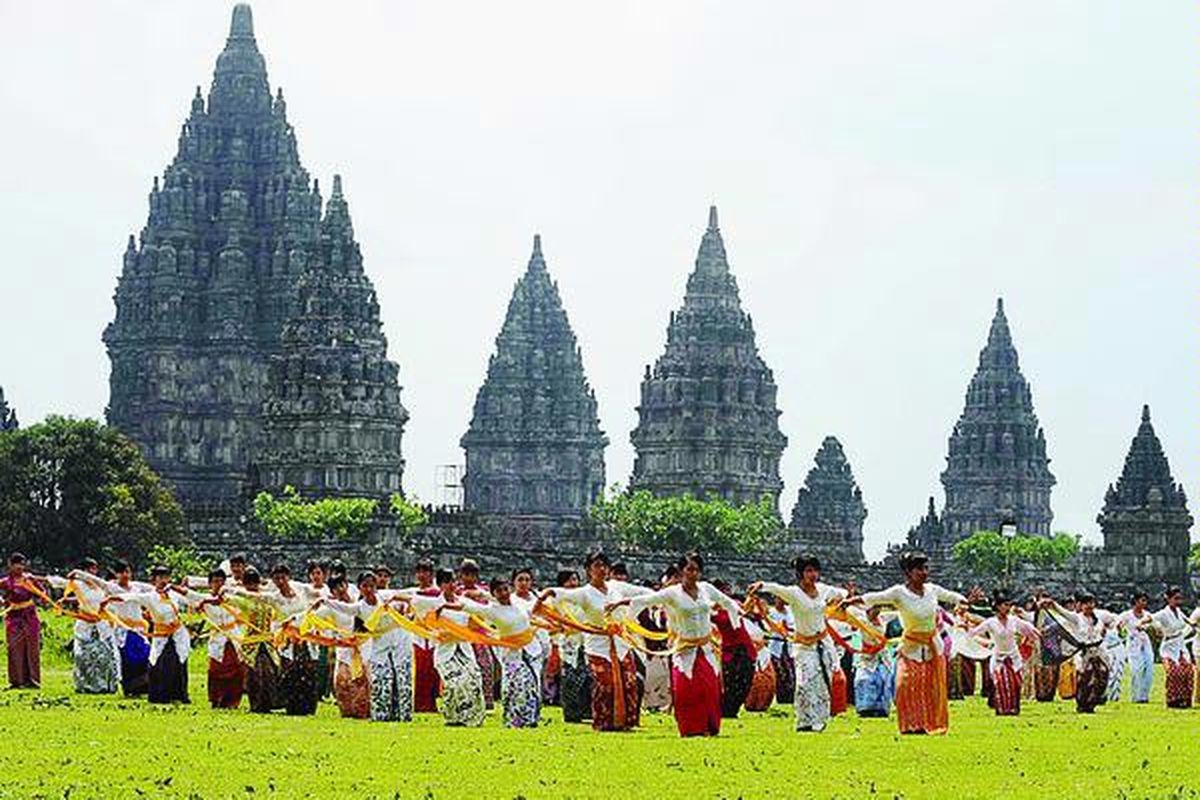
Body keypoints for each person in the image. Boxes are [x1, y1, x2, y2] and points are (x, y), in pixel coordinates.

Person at [615, 553, 741, 737]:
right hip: (684, 649)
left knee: (709, 688)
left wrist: (737, 617)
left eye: (697, 570)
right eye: (689, 569)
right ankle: (691, 728)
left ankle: (709, 726)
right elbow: (647, 600)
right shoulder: (672, 593)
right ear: (682, 571)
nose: (693, 574)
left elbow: (727, 602)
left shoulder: (706, 589)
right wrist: (624, 609)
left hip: (705, 647)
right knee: (685, 689)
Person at [854, 551, 978, 735]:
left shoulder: (932, 590)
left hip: (932, 646)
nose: (924, 572)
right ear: (908, 572)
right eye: (919, 569)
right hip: (910, 645)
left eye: (926, 568)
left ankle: (927, 724)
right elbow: (875, 597)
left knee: (928, 687)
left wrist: (966, 599)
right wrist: (851, 600)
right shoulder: (899, 593)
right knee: (905, 684)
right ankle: (910, 725)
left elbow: (951, 596)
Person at [535, 550, 650, 732]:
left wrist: (663, 596)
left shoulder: (617, 588)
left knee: (629, 681)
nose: (601, 569)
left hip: (620, 641)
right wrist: (546, 593)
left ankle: (626, 721)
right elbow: (563, 594)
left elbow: (642, 593)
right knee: (605, 683)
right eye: (597, 566)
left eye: (604, 566)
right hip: (597, 643)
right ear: (588, 570)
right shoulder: (585, 593)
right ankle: (604, 722)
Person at [749, 554, 849, 732]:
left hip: (824, 643)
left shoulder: (824, 590)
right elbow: (776, 588)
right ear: (800, 573)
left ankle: (819, 720)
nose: (813, 575)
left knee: (823, 681)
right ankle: (804, 721)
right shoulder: (794, 593)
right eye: (809, 571)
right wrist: (761, 585)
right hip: (804, 645)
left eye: (815, 570)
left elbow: (842, 594)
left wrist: (842, 599)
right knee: (805, 682)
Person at [320, 571, 414, 722]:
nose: (368, 589)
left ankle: (403, 715)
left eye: (371, 586)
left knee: (402, 678)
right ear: (360, 588)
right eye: (365, 586)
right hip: (378, 643)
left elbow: (412, 596)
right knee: (380, 678)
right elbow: (342, 607)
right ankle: (381, 715)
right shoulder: (359, 607)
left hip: (399, 639)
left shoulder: (385, 597)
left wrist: (398, 599)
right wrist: (324, 601)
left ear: (376, 587)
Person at [101, 565, 190, 704]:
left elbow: (190, 599)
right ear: (154, 580)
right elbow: (131, 597)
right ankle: (159, 695)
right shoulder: (149, 597)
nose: (164, 580)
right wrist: (110, 599)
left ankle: (178, 694)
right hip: (161, 634)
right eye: (160, 577)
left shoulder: (174, 594)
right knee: (158, 662)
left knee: (179, 661)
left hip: (177, 633)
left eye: (166, 577)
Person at [461, 577, 542, 728]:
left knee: (530, 685)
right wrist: (450, 601)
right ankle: (513, 720)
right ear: (494, 593)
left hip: (530, 649)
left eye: (506, 589)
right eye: (499, 591)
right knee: (515, 686)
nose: (504, 593)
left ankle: (530, 719)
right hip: (510, 654)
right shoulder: (492, 610)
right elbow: (468, 607)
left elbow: (534, 609)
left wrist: (545, 597)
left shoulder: (518, 602)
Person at [408, 569, 485, 727]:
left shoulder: (462, 602)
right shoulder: (434, 603)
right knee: (454, 683)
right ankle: (453, 716)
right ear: (441, 585)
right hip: (445, 651)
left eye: (453, 581)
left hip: (463, 648)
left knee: (474, 678)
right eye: (447, 582)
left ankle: (474, 717)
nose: (451, 585)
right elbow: (413, 599)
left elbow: (478, 616)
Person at [75, 559, 152, 696]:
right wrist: (79, 574)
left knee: (144, 655)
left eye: (128, 572)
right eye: (122, 572)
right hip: (122, 629)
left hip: (139, 629)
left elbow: (155, 590)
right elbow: (97, 581)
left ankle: (144, 686)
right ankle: (130, 688)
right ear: (116, 574)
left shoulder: (137, 587)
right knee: (128, 659)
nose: (126, 575)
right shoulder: (112, 587)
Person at [49, 558, 119, 694]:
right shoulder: (77, 585)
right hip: (84, 625)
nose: (92, 571)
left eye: (94, 568)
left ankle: (106, 686)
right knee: (82, 657)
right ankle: (85, 686)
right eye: (89, 569)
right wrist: (36, 578)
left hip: (101, 625)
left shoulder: (100, 585)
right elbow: (59, 582)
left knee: (105, 656)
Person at [177, 569, 243, 708]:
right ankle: (217, 699)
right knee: (216, 669)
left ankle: (232, 701)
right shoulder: (203, 599)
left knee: (236, 668)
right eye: (214, 582)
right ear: (209, 584)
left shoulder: (233, 597)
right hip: (218, 638)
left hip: (233, 636)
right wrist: (171, 586)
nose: (217, 585)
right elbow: (187, 593)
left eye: (220, 581)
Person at [967, 590, 1039, 716]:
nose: (1007, 608)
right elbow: (974, 633)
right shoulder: (990, 622)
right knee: (1000, 683)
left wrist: (1037, 632)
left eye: (1009, 605)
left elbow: (1027, 627)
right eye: (1005, 605)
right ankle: (1003, 709)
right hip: (999, 657)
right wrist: (965, 629)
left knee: (1016, 683)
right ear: (998, 606)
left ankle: (1013, 709)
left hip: (1013, 656)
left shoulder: (1013, 620)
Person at [1041, 592, 1114, 713]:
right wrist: (1052, 604)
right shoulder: (1077, 618)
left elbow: (1114, 621)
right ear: (1080, 605)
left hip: (1099, 651)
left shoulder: (1100, 617)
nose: (1089, 606)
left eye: (1091, 603)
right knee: (1086, 677)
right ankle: (1083, 704)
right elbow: (1062, 613)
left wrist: (1110, 628)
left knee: (1102, 675)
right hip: (1085, 652)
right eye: (1086, 603)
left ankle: (1094, 701)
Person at [313, 574, 370, 719]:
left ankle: (364, 710)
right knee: (343, 680)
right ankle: (348, 710)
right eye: (335, 588)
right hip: (344, 646)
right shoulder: (331, 608)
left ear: (347, 585)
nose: (340, 589)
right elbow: (314, 618)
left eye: (342, 585)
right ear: (332, 592)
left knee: (365, 677)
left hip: (364, 644)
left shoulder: (360, 601)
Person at [1142, 587, 1197, 709]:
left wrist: (1194, 624)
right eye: (1175, 598)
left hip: (1180, 645)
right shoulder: (1163, 613)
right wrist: (1141, 623)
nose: (1178, 601)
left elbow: (1188, 621)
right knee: (1173, 672)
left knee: (1188, 671)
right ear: (1168, 599)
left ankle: (1185, 699)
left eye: (1180, 598)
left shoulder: (1179, 611)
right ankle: (1173, 700)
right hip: (1168, 646)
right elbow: (1151, 618)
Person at [711, 578, 756, 719]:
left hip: (745, 646)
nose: (725, 593)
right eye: (722, 590)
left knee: (746, 679)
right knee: (730, 682)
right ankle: (727, 710)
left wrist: (751, 596)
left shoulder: (733, 605)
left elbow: (744, 610)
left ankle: (734, 708)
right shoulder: (711, 610)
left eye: (726, 590)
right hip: (729, 650)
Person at [0, 553, 46, 689]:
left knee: (32, 648)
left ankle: (33, 680)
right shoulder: (6, 582)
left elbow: (42, 593)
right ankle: (16, 681)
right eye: (16, 564)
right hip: (13, 618)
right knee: (14, 648)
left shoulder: (29, 579)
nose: (19, 567)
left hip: (30, 617)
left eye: (21, 564)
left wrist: (39, 598)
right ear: (10, 565)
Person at [552, 569, 591, 723]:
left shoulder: (583, 599)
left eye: (575, 579)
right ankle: (571, 713)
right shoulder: (557, 602)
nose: (573, 583)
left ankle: (586, 710)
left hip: (585, 642)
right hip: (568, 643)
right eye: (569, 580)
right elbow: (550, 621)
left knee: (586, 677)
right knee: (570, 678)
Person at [458, 559, 497, 709]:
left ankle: (487, 701)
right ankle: (467, 701)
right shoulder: (457, 591)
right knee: (465, 668)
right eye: (466, 575)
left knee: (485, 666)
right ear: (461, 576)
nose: (469, 578)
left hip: (481, 634)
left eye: (472, 575)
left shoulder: (483, 591)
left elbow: (494, 602)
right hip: (463, 634)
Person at [852, 606, 894, 718]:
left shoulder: (883, 618)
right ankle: (865, 708)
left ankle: (882, 709)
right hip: (867, 654)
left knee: (884, 679)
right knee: (864, 679)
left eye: (878, 608)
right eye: (875, 608)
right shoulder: (861, 620)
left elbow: (899, 613)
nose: (877, 611)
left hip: (882, 654)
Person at [410, 558, 440, 713]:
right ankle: (420, 703)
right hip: (418, 634)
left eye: (425, 572)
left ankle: (433, 702)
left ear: (431, 574)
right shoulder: (412, 592)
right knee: (420, 669)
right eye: (420, 571)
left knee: (434, 669)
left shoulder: (438, 593)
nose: (422, 575)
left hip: (435, 634)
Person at [1117, 592, 1154, 703]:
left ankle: (1144, 696)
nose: (1144, 603)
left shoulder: (1147, 615)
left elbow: (1154, 627)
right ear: (1136, 601)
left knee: (1149, 669)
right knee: (1136, 669)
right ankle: (1136, 696)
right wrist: (1121, 631)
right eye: (1142, 600)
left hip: (1146, 643)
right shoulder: (1127, 615)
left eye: (1145, 601)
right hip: (1133, 643)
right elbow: (1118, 626)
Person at [766, 595, 796, 705]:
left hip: (789, 645)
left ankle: (790, 698)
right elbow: (773, 627)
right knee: (779, 672)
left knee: (790, 672)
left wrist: (789, 630)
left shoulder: (790, 611)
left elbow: (793, 626)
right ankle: (781, 698)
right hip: (776, 645)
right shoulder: (771, 612)